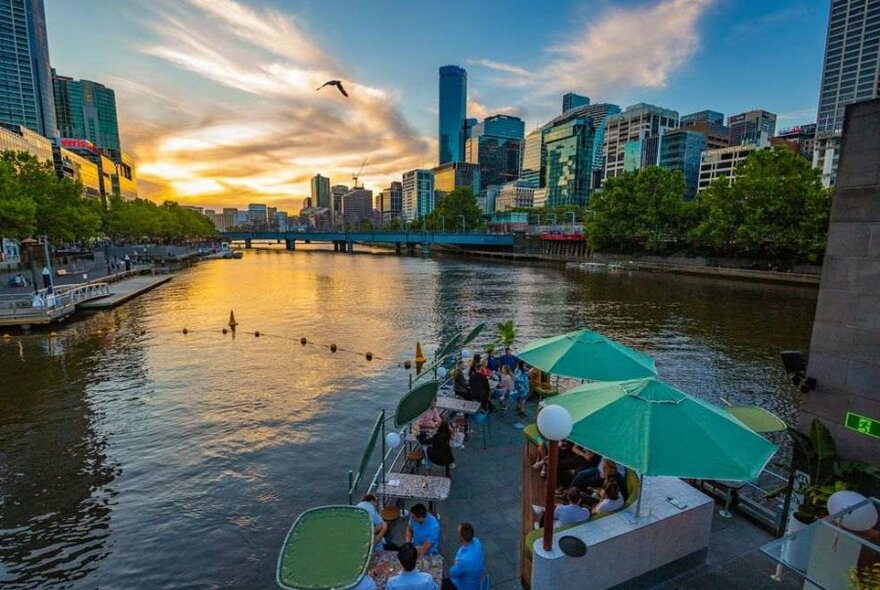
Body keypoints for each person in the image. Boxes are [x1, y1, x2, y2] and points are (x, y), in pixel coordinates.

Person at [443, 522, 484, 590]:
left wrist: (457, 561)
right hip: (476, 583)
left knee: (440, 583)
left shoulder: (464, 560)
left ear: (461, 537)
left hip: (463, 587)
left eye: (458, 533)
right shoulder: (477, 542)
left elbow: (452, 573)